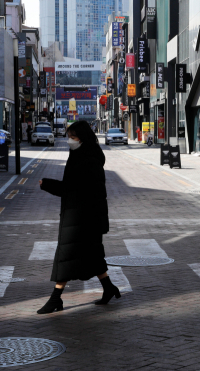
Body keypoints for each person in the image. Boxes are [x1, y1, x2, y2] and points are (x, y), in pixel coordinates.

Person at [37, 120, 120, 314]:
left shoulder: (87, 159)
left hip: (82, 216)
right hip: (84, 215)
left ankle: (55, 298)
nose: (69, 141)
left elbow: (72, 189)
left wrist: (47, 184)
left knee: (66, 256)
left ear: (82, 138)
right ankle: (109, 288)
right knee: (92, 256)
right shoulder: (82, 154)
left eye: (72, 138)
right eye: (69, 137)